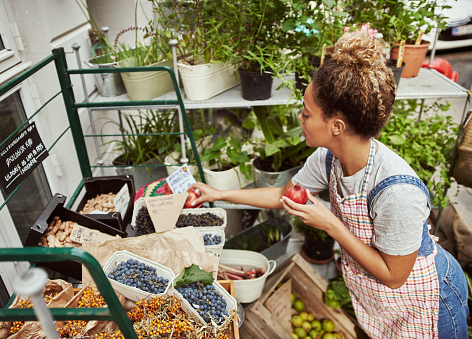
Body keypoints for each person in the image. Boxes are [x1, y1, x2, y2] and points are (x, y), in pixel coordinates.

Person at [189, 32, 468, 338]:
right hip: (382, 304)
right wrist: (218, 193)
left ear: (337, 126)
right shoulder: (327, 158)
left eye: (307, 114)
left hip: (427, 301)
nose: (300, 118)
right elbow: (284, 195)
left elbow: (394, 276)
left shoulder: (396, 191)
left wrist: (331, 225)